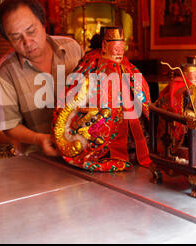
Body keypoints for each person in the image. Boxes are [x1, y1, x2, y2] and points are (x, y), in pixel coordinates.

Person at [0, 0, 83, 156]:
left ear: (43, 23)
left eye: (31, 31)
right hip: (40, 160)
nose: (27, 42)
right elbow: (9, 125)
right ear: (8, 39)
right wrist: (39, 139)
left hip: (84, 151)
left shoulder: (72, 49)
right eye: (16, 37)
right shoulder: (4, 73)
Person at [52, 26, 152, 172]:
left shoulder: (128, 68)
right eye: (116, 49)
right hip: (99, 141)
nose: (120, 53)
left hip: (131, 146)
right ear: (104, 46)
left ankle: (132, 149)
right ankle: (103, 153)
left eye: (122, 48)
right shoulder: (90, 67)